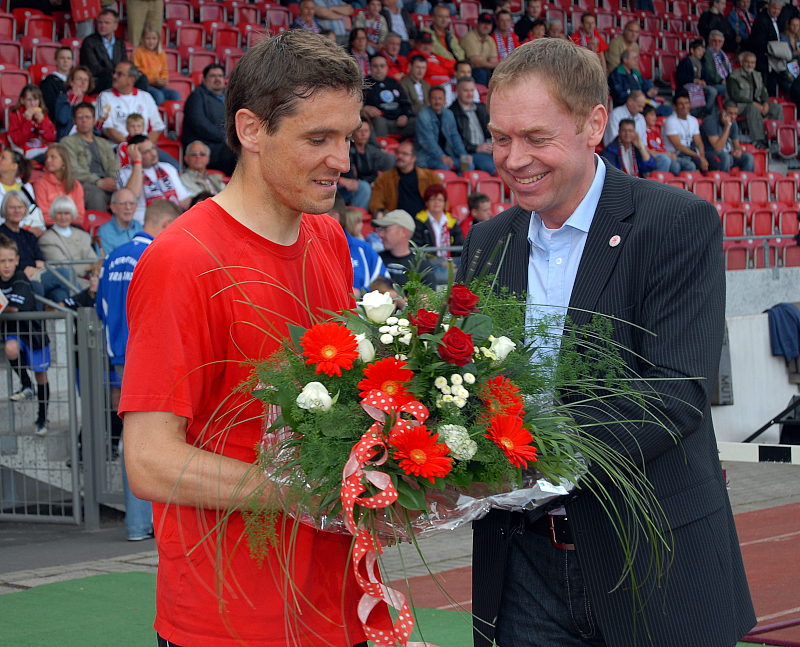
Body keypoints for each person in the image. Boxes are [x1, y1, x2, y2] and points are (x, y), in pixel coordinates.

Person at [457, 37, 756, 647]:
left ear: (595, 124)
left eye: (536, 138)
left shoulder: (675, 222)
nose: (514, 159)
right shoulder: (487, 243)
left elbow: (673, 393)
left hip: (651, 564)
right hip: (521, 574)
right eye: (500, 138)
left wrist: (523, 460)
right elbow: (466, 385)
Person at [120, 30, 372, 647]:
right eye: (318, 139)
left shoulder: (327, 238)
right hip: (230, 621)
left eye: (347, 137)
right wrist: (305, 493)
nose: (341, 160)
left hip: (342, 606)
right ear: (252, 130)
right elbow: (149, 461)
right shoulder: (183, 260)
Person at [96, 199, 178, 542]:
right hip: (149, 356)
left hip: (119, 352)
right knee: (155, 438)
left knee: (131, 437)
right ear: (166, 225)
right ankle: (149, 523)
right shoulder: (156, 253)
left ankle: (136, 524)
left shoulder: (115, 255)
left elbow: (101, 306)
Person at [0, 234, 50, 436]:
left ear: (17, 260)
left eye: (10, 260)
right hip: (14, 332)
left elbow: (13, 308)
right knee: (10, 348)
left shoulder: (20, 278)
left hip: (34, 333)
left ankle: (42, 417)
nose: (6, 265)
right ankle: (26, 385)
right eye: (2, 261)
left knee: (41, 374)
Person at [61, 102, 120, 211]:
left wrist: (115, 181)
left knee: (127, 192)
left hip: (107, 182)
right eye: (80, 117)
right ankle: (100, 223)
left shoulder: (104, 143)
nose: (84, 120)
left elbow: (114, 166)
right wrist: (98, 181)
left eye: (87, 117)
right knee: (96, 195)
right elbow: (73, 170)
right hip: (84, 184)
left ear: (94, 120)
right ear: (74, 121)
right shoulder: (67, 142)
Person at [117, 136, 190, 223]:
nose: (153, 154)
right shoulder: (125, 173)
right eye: (146, 152)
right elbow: (131, 198)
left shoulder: (168, 167)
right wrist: (137, 162)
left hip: (174, 221)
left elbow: (184, 200)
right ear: (135, 154)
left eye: (153, 148)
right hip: (145, 224)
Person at [181, 63, 237, 177]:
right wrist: (225, 137)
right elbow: (199, 123)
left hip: (225, 142)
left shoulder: (229, 97)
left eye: (220, 76)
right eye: (213, 76)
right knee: (234, 153)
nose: (217, 79)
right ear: (204, 79)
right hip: (206, 144)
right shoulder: (196, 97)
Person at [38, 195, 97, 295]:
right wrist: (88, 266)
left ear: (72, 214)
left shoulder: (83, 235)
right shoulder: (47, 239)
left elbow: (94, 261)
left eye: (67, 213)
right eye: (59, 213)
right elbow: (63, 268)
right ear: (53, 215)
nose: (63, 217)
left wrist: (93, 267)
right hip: (65, 283)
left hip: (87, 281)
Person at [97, 62, 166, 146]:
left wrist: (144, 146)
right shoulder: (105, 96)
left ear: (131, 79)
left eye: (119, 74)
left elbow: (157, 127)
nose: (114, 76)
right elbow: (107, 128)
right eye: (114, 72)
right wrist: (130, 146)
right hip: (118, 147)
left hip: (145, 147)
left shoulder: (145, 96)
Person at [369, 139, 441, 217]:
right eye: (398, 153)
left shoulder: (430, 176)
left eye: (404, 154)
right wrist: (379, 213)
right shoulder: (384, 178)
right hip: (397, 220)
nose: (399, 156)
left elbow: (442, 198)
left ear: (413, 158)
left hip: (424, 219)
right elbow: (376, 202)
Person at [727, 50, 783, 148]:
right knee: (752, 108)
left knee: (777, 108)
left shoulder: (757, 75)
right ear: (742, 62)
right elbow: (735, 96)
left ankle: (775, 138)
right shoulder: (734, 76)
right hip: (739, 106)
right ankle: (759, 140)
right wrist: (753, 103)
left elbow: (763, 91)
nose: (750, 65)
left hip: (757, 104)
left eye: (752, 62)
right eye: (747, 62)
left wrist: (765, 103)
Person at [374, 208, 436, 287]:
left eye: (386, 229)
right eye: (380, 230)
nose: (380, 234)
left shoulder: (421, 266)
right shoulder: (376, 259)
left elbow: (429, 293)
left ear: (403, 232)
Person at [338, 120, 393, 209]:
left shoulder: (372, 151)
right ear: (352, 133)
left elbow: (374, 174)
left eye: (366, 131)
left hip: (365, 185)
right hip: (344, 188)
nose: (363, 134)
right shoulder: (344, 150)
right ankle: (356, 215)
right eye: (360, 131)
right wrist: (340, 180)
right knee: (364, 187)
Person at [415, 85, 471, 171]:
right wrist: (442, 156)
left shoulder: (449, 114)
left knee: (468, 166)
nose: (437, 101)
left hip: (449, 154)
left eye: (440, 98)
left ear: (444, 100)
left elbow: (455, 136)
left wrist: (463, 154)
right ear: (429, 100)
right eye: (434, 98)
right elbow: (428, 141)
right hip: (428, 157)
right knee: (444, 168)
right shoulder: (423, 115)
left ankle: (459, 178)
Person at [450, 77, 496, 174]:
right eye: (466, 90)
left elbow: (491, 131)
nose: (469, 94)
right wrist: (476, 148)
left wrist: (492, 144)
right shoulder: (451, 112)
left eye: (472, 90)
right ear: (458, 91)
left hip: (487, 150)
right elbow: (454, 142)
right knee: (491, 167)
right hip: (468, 153)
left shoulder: (481, 108)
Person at [362, 54, 416, 137]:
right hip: (381, 121)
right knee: (379, 121)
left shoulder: (394, 82)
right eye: (375, 66)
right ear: (370, 67)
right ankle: (382, 145)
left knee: (418, 121)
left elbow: (405, 102)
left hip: (400, 121)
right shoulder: (364, 84)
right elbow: (355, 104)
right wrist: (364, 108)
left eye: (382, 66)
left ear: (387, 67)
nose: (379, 69)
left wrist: (405, 115)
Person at [33, 144, 86, 227]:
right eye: (46, 158)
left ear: (64, 161)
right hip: (50, 227)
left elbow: (80, 215)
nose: (48, 160)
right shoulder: (40, 183)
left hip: (73, 226)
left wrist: (66, 221)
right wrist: (63, 221)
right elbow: (43, 214)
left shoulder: (75, 185)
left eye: (53, 157)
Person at [79, 9, 129, 93]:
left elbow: (124, 63)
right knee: (110, 79)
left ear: (115, 26)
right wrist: (116, 74)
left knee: (140, 79)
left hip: (116, 78)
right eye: (100, 22)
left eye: (107, 23)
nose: (102, 26)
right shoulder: (89, 42)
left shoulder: (120, 43)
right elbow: (94, 68)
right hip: (97, 81)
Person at [701, 100, 756, 171]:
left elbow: (736, 144)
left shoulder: (733, 122)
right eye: (730, 113)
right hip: (709, 154)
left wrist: (738, 151)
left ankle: (745, 178)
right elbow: (718, 148)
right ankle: (724, 178)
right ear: (723, 112)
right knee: (725, 157)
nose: (733, 117)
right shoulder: (710, 121)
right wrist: (727, 126)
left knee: (748, 157)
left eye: (735, 114)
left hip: (726, 153)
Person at [132, 26, 181, 106]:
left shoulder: (162, 54)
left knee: (176, 95)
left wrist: (164, 80)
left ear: (158, 40)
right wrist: (152, 80)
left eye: (154, 39)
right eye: (148, 38)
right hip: (144, 86)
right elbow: (137, 73)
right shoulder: (138, 53)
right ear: (143, 39)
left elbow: (164, 70)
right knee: (158, 96)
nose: (151, 41)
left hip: (158, 85)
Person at [411, 183, 463, 258]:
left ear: (445, 203)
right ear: (426, 202)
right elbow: (416, 247)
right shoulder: (419, 222)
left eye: (440, 200)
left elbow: (460, 246)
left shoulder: (452, 222)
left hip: (450, 262)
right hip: (427, 263)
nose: (437, 202)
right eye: (432, 199)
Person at [8, 85, 57, 162]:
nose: (33, 103)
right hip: (24, 151)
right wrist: (28, 121)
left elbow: (51, 137)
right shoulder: (15, 115)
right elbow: (18, 141)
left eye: (35, 99)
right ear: (22, 100)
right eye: (29, 100)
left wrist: (42, 122)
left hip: (43, 148)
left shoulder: (43, 114)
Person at [663, 90, 710, 171]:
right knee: (690, 166)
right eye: (681, 104)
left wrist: (702, 157)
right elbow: (678, 146)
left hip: (690, 153)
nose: (684, 106)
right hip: (676, 155)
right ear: (675, 106)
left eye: (686, 103)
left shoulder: (693, 120)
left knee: (709, 163)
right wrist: (697, 156)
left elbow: (699, 142)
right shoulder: (670, 121)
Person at [0, 149, 44, 234]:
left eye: (3, 158)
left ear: (14, 166)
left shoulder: (26, 187)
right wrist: (25, 227)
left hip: (26, 232)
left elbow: (30, 212)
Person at [749, 0, 784, 94]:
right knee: (764, 89)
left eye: (779, 9)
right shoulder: (762, 19)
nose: (776, 11)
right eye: (774, 8)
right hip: (763, 60)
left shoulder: (776, 20)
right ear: (769, 6)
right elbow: (758, 41)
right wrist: (774, 49)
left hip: (773, 60)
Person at [676, 39, 718, 116]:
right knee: (695, 89)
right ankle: (694, 113)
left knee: (713, 91)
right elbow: (681, 77)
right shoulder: (685, 62)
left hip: (700, 86)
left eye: (702, 50)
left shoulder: (702, 63)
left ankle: (706, 112)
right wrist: (695, 80)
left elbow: (706, 77)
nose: (701, 52)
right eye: (699, 50)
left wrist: (704, 82)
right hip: (686, 86)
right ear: (692, 50)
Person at [53, 66, 96, 140]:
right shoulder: (63, 98)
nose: (83, 82)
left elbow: (96, 131)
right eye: (79, 79)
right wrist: (73, 98)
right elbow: (63, 119)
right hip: (67, 140)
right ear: (71, 82)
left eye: (86, 80)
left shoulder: (91, 102)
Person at [97, 189, 143, 254]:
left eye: (132, 203)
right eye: (123, 203)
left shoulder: (139, 226)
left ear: (136, 207)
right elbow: (109, 258)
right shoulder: (104, 232)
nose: (128, 207)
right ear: (113, 207)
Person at [460, 12, 500, 86]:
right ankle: (481, 92)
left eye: (489, 24)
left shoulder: (490, 39)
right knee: (481, 72)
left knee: (498, 73)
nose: (486, 26)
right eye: (483, 23)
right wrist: (494, 65)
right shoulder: (469, 37)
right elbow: (476, 63)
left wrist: (495, 65)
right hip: (469, 70)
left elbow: (494, 61)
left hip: (485, 69)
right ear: (477, 23)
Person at [643, 103, 680, 174]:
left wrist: (669, 154)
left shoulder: (655, 131)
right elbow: (649, 151)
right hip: (653, 157)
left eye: (655, 115)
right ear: (644, 117)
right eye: (651, 115)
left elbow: (662, 147)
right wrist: (665, 154)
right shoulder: (642, 131)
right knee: (670, 163)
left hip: (663, 155)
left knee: (686, 164)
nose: (654, 117)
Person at [40, 46, 74, 118]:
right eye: (62, 58)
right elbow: (50, 108)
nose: (66, 61)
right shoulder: (48, 82)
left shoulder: (76, 81)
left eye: (69, 58)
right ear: (56, 61)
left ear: (72, 62)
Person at [704, 30, 734, 102]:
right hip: (713, 83)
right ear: (709, 41)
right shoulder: (706, 54)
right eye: (714, 41)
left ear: (723, 43)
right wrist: (721, 80)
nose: (717, 43)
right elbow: (710, 72)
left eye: (720, 41)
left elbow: (729, 70)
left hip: (725, 81)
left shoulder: (723, 54)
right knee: (731, 90)